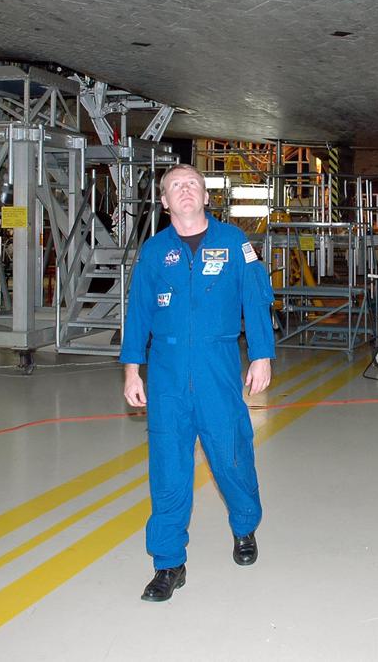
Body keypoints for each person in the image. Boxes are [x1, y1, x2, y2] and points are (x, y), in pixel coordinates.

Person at [121, 163, 275, 602]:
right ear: (165, 201)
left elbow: (256, 300)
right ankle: (169, 562)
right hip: (166, 372)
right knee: (168, 468)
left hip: (218, 367)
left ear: (206, 197)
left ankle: (244, 526)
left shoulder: (234, 244)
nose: (185, 191)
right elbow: (138, 315)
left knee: (231, 455)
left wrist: (261, 354)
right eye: (175, 186)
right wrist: (133, 369)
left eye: (192, 184)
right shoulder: (154, 253)